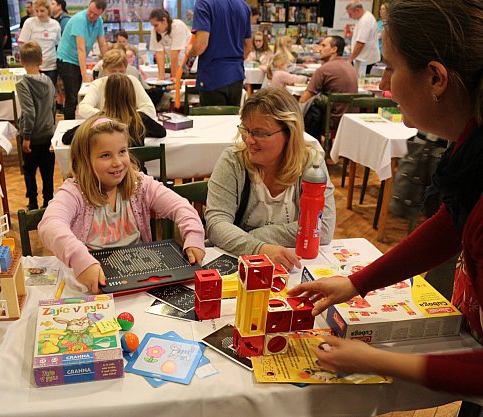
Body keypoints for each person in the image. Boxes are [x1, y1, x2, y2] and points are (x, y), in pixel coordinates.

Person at [289, 0, 483, 396]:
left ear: (435, 79)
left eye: (390, 68)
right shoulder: (472, 149)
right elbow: (450, 224)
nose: (382, 85)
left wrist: (372, 359)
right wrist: (356, 283)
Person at [38, 115, 206, 293]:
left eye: (122, 152)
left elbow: (180, 206)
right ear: (84, 161)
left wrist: (194, 236)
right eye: (105, 155)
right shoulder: (74, 192)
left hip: (140, 280)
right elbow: (50, 225)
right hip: (93, 281)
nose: (117, 163)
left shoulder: (139, 184)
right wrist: (80, 259)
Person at [205, 88, 335, 271]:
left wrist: (253, 235)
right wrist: (259, 248)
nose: (249, 140)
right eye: (246, 130)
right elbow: (216, 223)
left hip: (291, 266)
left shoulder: (311, 165)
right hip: (238, 266)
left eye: (260, 133)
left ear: (289, 132)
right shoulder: (233, 161)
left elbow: (323, 228)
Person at [62, 73, 166, 146]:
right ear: (132, 95)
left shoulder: (98, 122)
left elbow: (66, 138)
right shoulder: (140, 120)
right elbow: (161, 132)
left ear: (106, 96)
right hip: (137, 174)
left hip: (107, 176)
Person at [15, 41, 56, 211]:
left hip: (31, 138)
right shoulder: (48, 80)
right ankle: (49, 203)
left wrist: (26, 137)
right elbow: (53, 106)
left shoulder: (22, 84)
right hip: (47, 134)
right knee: (48, 172)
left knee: (29, 171)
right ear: (41, 60)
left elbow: (29, 112)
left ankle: (32, 203)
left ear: (21, 61)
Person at [187, 0, 252, 106]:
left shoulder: (204, 3)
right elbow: (248, 47)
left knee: (213, 121)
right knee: (232, 120)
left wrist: (190, 52)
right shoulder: (243, 5)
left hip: (212, 75)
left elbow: (200, 45)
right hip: (236, 75)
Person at [56, 0, 109, 119]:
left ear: (101, 13)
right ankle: (68, 127)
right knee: (72, 96)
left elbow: (102, 44)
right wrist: (84, 73)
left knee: (80, 95)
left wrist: (109, 62)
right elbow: (81, 48)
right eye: (90, 11)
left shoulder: (99, 21)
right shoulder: (80, 19)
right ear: (88, 7)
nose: (91, 15)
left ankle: (78, 123)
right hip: (66, 60)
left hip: (77, 60)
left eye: (95, 14)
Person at [299, 36, 357, 138]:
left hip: (332, 120)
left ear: (334, 49)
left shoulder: (324, 69)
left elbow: (304, 99)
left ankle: (305, 145)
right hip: (350, 118)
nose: (319, 48)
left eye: (323, 45)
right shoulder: (349, 66)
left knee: (307, 108)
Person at [78, 49, 156, 120]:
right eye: (113, 71)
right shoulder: (98, 84)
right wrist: (108, 116)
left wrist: (125, 116)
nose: (117, 75)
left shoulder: (133, 82)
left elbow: (150, 109)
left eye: (121, 71)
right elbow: (83, 108)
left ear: (126, 69)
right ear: (104, 69)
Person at [18, 0, 61, 84]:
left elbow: (57, 44)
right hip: (33, 65)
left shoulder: (55, 24)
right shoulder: (29, 23)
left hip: (51, 65)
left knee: (49, 93)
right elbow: (22, 44)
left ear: (48, 10)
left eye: (42, 11)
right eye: (37, 11)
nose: (39, 14)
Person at [148, 9, 191, 81]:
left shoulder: (178, 26)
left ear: (164, 20)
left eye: (156, 25)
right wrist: (160, 78)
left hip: (190, 65)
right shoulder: (155, 31)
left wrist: (174, 77)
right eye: (153, 25)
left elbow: (174, 54)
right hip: (176, 66)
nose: (154, 28)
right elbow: (159, 55)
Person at [346, 0, 380, 73]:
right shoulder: (364, 16)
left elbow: (360, 44)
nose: (349, 17)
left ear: (357, 10)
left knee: (360, 82)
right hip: (364, 57)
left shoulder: (365, 21)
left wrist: (350, 59)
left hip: (364, 59)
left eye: (350, 14)